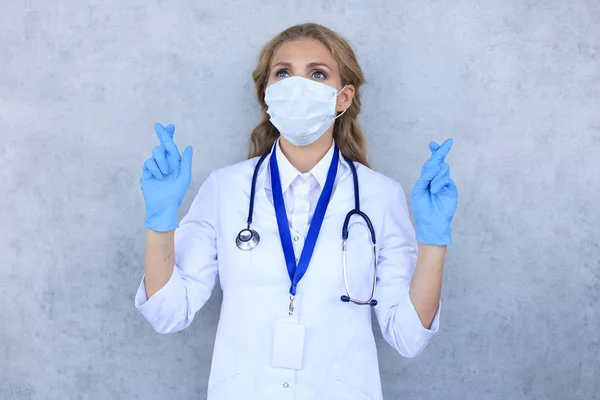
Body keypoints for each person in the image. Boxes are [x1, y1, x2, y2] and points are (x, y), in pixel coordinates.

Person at [135, 23, 458, 400]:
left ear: (343, 97)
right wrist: (159, 222)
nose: (297, 85)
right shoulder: (226, 190)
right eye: (283, 73)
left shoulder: (380, 196)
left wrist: (433, 241)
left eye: (317, 74)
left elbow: (407, 335)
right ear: (268, 94)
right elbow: (168, 313)